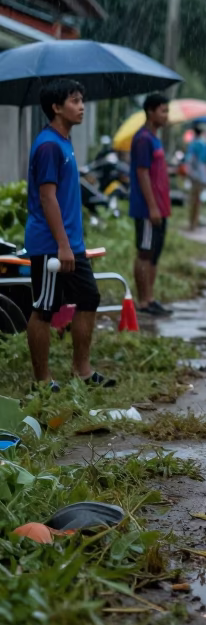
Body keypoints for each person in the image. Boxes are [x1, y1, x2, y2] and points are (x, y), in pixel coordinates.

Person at [24, 79, 115, 392]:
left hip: (69, 243)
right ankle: (42, 381)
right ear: (56, 107)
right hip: (51, 244)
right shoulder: (49, 144)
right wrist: (62, 244)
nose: (81, 107)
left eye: (82, 101)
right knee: (44, 308)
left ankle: (82, 370)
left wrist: (73, 241)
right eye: (75, 101)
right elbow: (47, 198)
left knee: (89, 297)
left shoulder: (64, 142)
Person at [128, 94, 174, 317]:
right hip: (147, 209)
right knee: (144, 252)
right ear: (150, 112)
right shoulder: (143, 139)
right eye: (163, 111)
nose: (166, 115)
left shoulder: (155, 137)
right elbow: (142, 173)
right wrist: (152, 207)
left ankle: (150, 298)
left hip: (160, 207)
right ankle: (143, 301)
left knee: (154, 254)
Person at [184, 123, 206, 230]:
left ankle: (192, 222)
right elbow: (205, 162)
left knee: (194, 200)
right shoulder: (204, 144)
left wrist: (190, 173)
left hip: (194, 176)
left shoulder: (193, 144)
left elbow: (189, 160)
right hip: (201, 176)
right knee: (197, 200)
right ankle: (194, 222)